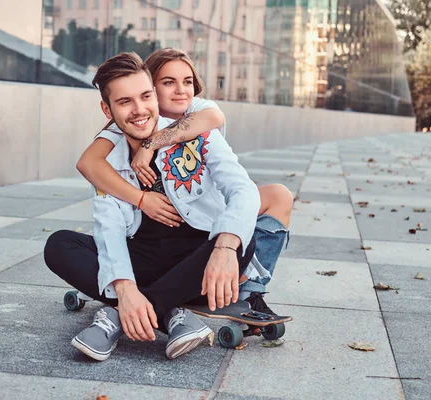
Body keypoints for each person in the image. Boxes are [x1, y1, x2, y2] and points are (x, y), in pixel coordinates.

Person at [44, 52, 261, 361]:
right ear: (107, 109)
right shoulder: (109, 161)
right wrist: (125, 287)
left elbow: (244, 190)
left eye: (146, 96)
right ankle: (168, 313)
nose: (139, 110)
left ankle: (116, 319)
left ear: (155, 95)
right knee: (60, 245)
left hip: (199, 263)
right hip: (145, 260)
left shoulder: (197, 135)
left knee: (242, 239)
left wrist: (225, 247)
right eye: (125, 102)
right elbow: (110, 228)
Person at [76, 48, 293, 313]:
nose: (180, 91)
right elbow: (89, 165)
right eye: (168, 82)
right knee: (62, 245)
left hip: (198, 236)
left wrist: (151, 144)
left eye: (187, 82)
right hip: (147, 250)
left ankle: (248, 291)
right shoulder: (121, 130)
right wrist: (142, 200)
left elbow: (216, 122)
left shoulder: (199, 119)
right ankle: (160, 307)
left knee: (244, 234)